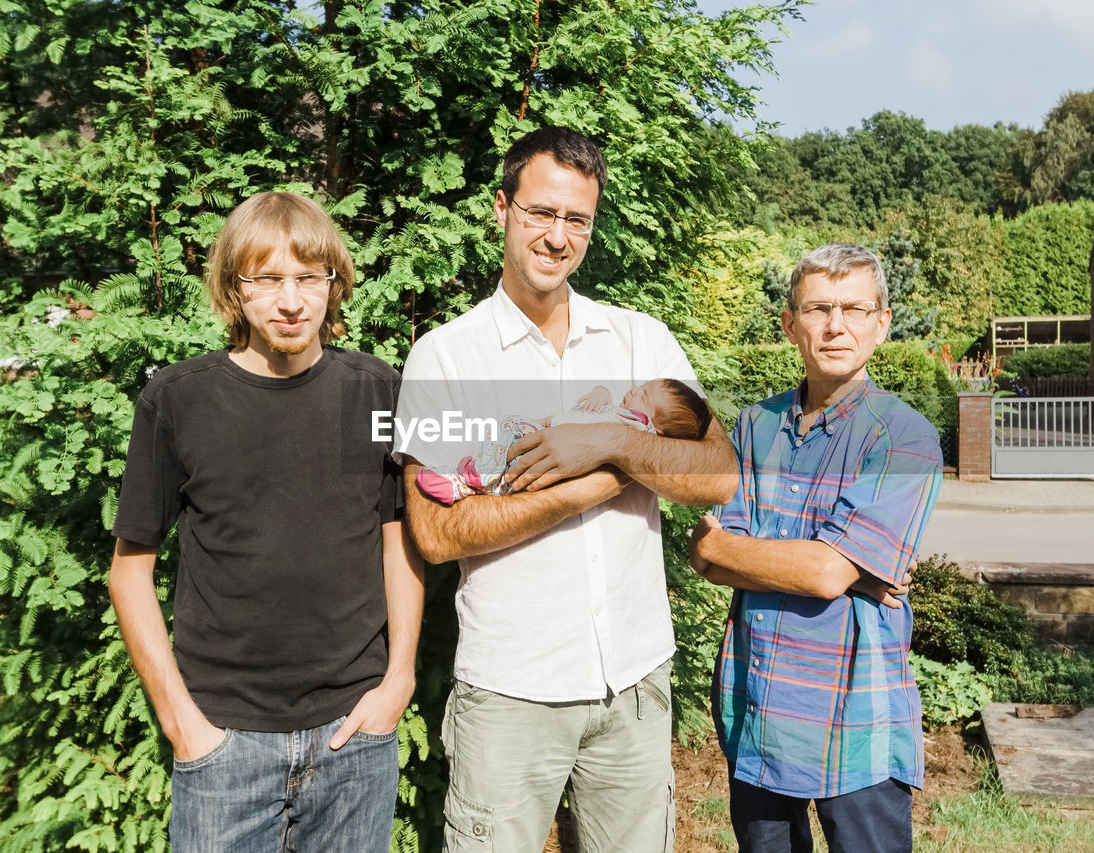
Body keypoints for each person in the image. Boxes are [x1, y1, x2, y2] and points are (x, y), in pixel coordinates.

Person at [396, 126, 739, 853]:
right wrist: (593, 484)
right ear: (502, 209)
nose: (557, 236)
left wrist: (610, 439)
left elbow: (719, 475)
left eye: (576, 218)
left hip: (634, 686)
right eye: (540, 213)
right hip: (510, 693)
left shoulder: (638, 340)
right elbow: (435, 533)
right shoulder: (447, 356)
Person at [108, 192, 424, 852]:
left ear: (333, 282)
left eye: (309, 277)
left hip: (353, 736)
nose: (291, 300)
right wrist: (182, 723)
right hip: (225, 743)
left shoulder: (374, 391)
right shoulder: (179, 400)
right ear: (234, 286)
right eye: (268, 279)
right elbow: (129, 571)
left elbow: (400, 541)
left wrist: (399, 680)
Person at [689, 242, 942, 853]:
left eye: (855, 309)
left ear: (882, 324)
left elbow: (822, 572)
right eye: (818, 308)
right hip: (758, 713)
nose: (836, 326)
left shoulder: (905, 436)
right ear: (790, 324)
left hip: (856, 726)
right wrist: (845, 567)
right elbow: (704, 555)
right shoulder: (753, 426)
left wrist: (818, 566)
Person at [416, 378, 713, 505]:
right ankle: (464, 480)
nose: (634, 389)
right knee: (509, 429)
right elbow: (587, 414)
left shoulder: (641, 431)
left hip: (554, 457)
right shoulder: (626, 415)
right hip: (547, 432)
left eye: (644, 395)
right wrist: (601, 392)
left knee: (515, 456)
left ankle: (475, 476)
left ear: (658, 428)